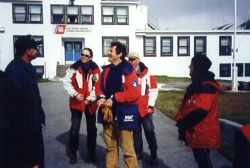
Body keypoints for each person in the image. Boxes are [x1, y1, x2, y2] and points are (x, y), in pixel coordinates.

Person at [95, 42, 140, 168]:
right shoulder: (106, 70)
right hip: (107, 115)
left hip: (124, 116)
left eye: (111, 51)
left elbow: (134, 93)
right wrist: (101, 97)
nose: (108, 53)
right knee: (111, 149)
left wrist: (114, 98)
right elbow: (98, 87)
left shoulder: (129, 71)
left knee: (128, 150)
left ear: (119, 54)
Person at [4, 35, 46, 168]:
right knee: (29, 161)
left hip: (34, 123)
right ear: (28, 51)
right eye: (35, 48)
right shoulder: (13, 71)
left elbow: (34, 97)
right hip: (23, 129)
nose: (38, 50)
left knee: (39, 158)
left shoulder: (29, 68)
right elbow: (14, 106)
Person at [175, 53, 221, 168]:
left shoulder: (208, 87)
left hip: (203, 134)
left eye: (192, 65)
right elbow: (185, 107)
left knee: (204, 163)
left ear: (198, 68)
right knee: (201, 162)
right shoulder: (194, 86)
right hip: (196, 132)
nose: (189, 67)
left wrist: (183, 123)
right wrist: (181, 124)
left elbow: (201, 111)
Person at [63, 48, 101, 164]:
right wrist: (75, 94)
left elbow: (97, 87)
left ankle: (92, 153)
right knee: (74, 129)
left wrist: (90, 99)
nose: (83, 56)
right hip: (76, 102)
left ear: (91, 57)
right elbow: (66, 82)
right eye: (82, 54)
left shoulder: (95, 69)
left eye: (86, 55)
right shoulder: (73, 68)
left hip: (90, 103)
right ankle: (73, 152)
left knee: (91, 129)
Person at [128, 52, 159, 165]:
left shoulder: (147, 73)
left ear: (138, 60)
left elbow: (154, 89)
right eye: (129, 59)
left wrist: (150, 105)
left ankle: (154, 153)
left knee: (149, 131)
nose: (131, 62)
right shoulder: (127, 73)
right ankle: (138, 152)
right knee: (136, 132)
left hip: (145, 109)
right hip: (133, 108)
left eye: (133, 59)